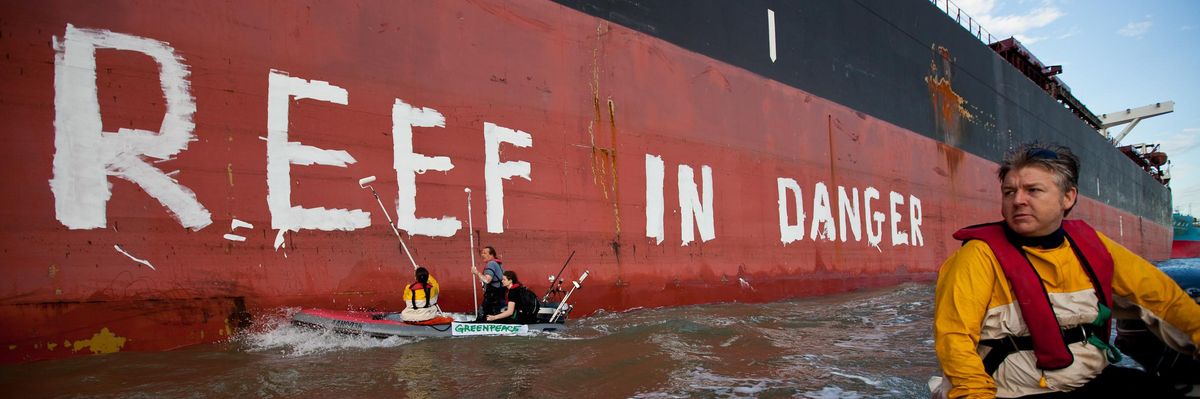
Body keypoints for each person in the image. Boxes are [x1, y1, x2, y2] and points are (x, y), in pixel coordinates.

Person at [932, 143, 1200, 398]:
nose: (1018, 201)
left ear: (1068, 197)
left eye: (1033, 190)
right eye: (1009, 192)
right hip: (1017, 391)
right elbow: (954, 341)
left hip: (1091, 380)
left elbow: (1163, 299)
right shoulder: (977, 256)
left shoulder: (1092, 246)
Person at [471, 246, 507, 319]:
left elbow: (487, 280)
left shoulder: (491, 264)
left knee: (482, 317)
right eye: (482, 253)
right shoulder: (498, 264)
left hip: (492, 296)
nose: (482, 255)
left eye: (485, 253)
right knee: (498, 315)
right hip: (500, 294)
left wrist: (476, 272)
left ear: (491, 255)